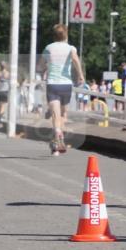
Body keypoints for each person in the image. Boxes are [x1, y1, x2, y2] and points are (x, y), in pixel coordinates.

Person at [39, 24, 85, 155]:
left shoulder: (48, 48)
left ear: (54, 35)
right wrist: (80, 75)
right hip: (66, 85)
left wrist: (46, 67)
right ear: (66, 34)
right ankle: (59, 138)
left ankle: (57, 136)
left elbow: (41, 65)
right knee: (63, 114)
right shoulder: (71, 48)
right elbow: (75, 59)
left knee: (55, 114)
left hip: (52, 84)